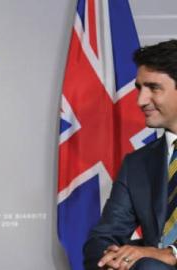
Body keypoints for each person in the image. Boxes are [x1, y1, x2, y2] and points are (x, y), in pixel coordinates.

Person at [83, 40, 177, 270]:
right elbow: (104, 236)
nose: (140, 100)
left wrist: (170, 253)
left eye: (153, 88)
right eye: (139, 88)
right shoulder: (137, 164)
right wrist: (113, 258)